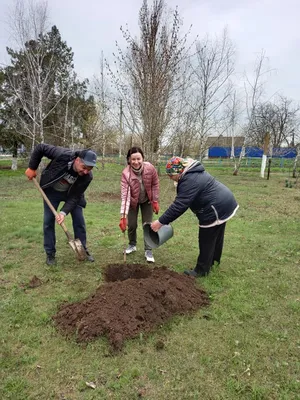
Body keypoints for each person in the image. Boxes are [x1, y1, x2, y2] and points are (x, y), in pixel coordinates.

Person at [151, 156, 239, 277]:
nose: (170, 178)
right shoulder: (193, 173)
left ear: (179, 171)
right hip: (225, 202)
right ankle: (214, 260)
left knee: (206, 239)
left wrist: (160, 222)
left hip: (214, 208)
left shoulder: (189, 180)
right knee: (216, 234)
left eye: (171, 175)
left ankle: (201, 270)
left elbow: (180, 205)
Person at [25, 143, 97, 266]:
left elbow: (75, 197)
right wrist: (32, 167)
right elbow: (40, 148)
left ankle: (82, 249)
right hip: (52, 191)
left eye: (89, 169)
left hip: (72, 194)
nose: (85, 172)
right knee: (48, 221)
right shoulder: (62, 154)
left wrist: (63, 212)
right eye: (84, 167)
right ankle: (50, 254)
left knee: (79, 220)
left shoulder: (87, 177)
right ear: (77, 160)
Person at [119, 146, 160, 263]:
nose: (136, 162)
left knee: (147, 225)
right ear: (129, 160)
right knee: (131, 225)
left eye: (138, 159)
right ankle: (132, 244)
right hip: (132, 201)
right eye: (133, 159)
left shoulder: (150, 168)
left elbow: (155, 184)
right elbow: (125, 196)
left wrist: (155, 201)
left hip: (147, 200)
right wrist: (123, 216)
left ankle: (148, 249)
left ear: (143, 158)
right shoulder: (126, 174)